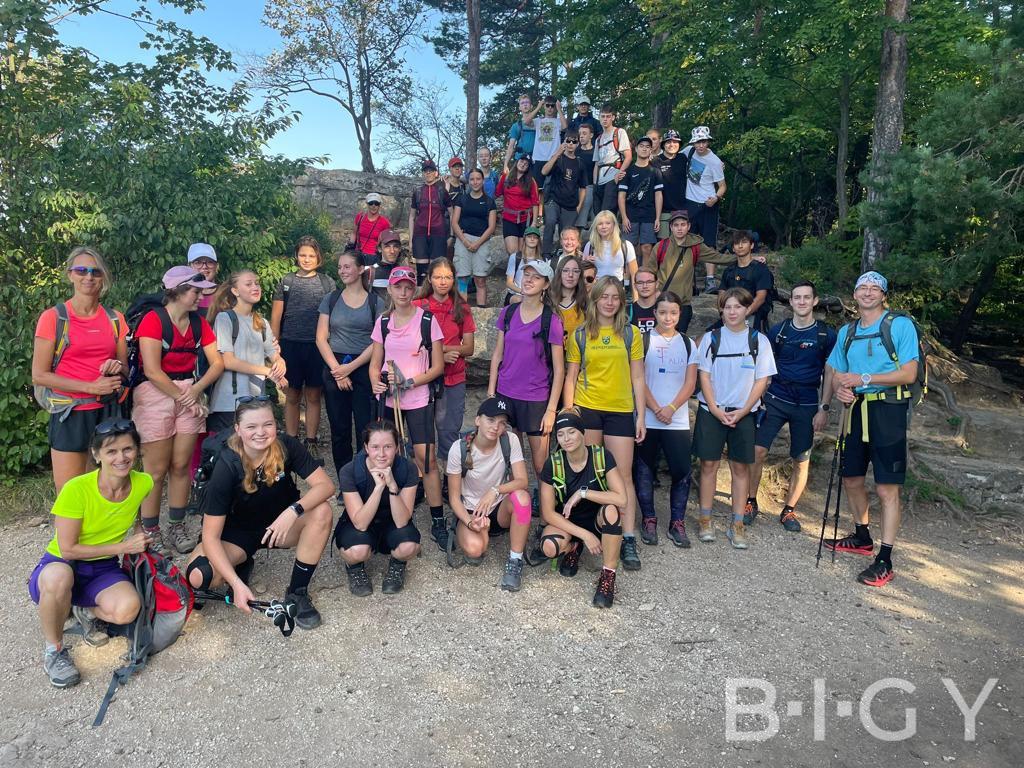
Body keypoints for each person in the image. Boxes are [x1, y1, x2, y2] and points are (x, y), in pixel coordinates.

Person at [185, 397, 334, 630]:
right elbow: (210, 537)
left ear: (276, 424)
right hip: (237, 534)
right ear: (238, 429)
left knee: (322, 511)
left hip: (279, 528)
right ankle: (241, 564)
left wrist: (293, 511)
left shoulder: (286, 445)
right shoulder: (227, 464)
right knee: (198, 575)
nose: (261, 432)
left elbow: (326, 486)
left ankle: (297, 592)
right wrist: (236, 584)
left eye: (267, 424)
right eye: (251, 426)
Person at [28, 418, 151, 688]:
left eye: (128, 449)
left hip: (103, 567)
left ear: (137, 450)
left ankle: (80, 607)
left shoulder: (144, 482)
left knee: (128, 610)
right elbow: (68, 548)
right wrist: (123, 547)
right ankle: (54, 651)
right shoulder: (77, 488)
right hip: (63, 563)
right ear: (96, 455)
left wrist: (140, 534)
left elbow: (135, 514)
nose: (121, 457)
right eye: (111, 451)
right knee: (58, 578)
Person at [823, 271, 920, 588]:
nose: (867, 292)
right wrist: (840, 389)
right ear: (854, 295)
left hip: (888, 409)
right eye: (862, 287)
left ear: (883, 295)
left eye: (874, 288)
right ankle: (862, 536)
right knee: (851, 477)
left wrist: (864, 379)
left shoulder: (899, 325)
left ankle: (885, 558)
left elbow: (909, 373)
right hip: (855, 410)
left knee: (886, 487)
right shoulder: (847, 331)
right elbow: (838, 372)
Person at [134, 266, 223, 554]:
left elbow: (217, 363)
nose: (200, 297)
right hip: (155, 393)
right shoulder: (153, 320)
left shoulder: (198, 323)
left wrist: (195, 391)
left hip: (187, 390)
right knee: (155, 470)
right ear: (177, 291)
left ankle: (176, 524)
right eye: (195, 292)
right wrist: (187, 398)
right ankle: (151, 530)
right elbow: (151, 370)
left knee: (181, 465)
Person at [563, 276, 647, 570]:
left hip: (620, 410)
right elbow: (571, 376)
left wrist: (641, 415)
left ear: (622, 302)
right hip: (587, 408)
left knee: (623, 476)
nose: (609, 302)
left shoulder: (631, 333)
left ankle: (628, 536)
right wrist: (569, 412)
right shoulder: (581, 334)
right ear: (595, 299)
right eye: (604, 297)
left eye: (615, 297)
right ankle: (580, 537)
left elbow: (638, 376)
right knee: (586, 474)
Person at [32, 247, 128, 493]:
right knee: (70, 493)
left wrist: (116, 368)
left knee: (108, 490)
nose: (89, 277)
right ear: (70, 275)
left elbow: (125, 369)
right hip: (70, 412)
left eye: (96, 271)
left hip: (107, 411)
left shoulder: (115, 319)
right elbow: (39, 375)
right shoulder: (54, 318)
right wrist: (90, 387)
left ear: (103, 277)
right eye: (81, 270)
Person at [693, 288, 777, 550]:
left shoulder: (759, 341)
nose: (732, 312)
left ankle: (737, 523)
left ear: (747, 309)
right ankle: (705, 519)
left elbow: (762, 380)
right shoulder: (711, 338)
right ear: (721, 309)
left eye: (738, 307)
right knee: (708, 465)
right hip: (711, 411)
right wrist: (715, 409)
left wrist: (743, 411)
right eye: (727, 307)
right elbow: (704, 376)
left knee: (740, 468)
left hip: (744, 413)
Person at [368, 266, 447, 546]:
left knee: (427, 460)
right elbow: (375, 362)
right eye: (398, 287)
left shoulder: (427, 320)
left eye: (408, 287)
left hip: (418, 400)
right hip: (388, 400)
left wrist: (409, 382)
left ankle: (437, 519)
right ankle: (392, 511)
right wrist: (375, 381)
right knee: (388, 455)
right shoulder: (383, 322)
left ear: (414, 290)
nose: (403, 292)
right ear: (389, 290)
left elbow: (437, 367)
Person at [749, 281, 836, 532]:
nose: (801, 302)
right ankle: (750, 502)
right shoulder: (779, 331)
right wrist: (759, 397)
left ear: (815, 301)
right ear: (791, 301)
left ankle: (789, 510)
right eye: (797, 297)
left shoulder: (825, 334)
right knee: (757, 451)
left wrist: (824, 408)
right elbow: (764, 366)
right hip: (775, 398)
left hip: (807, 402)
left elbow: (830, 372)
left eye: (807, 297)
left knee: (801, 459)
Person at [488, 260, 565, 509]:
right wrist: (490, 392)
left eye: (536, 277)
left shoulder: (551, 320)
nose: (529, 280)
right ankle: (516, 509)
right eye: (526, 274)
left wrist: (551, 409)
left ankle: (547, 511)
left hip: (535, 399)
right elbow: (497, 355)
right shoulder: (508, 313)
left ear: (546, 284)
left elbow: (560, 368)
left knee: (541, 464)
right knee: (512, 459)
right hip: (505, 394)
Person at [537, 409, 629, 608]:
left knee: (612, 510)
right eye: (561, 434)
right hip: (568, 522)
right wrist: (585, 536)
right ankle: (573, 547)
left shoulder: (601, 456)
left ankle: (608, 576)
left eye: (571, 432)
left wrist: (583, 493)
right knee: (549, 546)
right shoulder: (553, 463)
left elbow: (621, 499)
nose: (566, 439)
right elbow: (548, 513)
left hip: (597, 519)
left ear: (582, 432)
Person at [447, 396, 532, 590]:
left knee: (522, 497)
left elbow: (522, 481)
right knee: (475, 550)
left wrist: (495, 490)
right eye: (491, 420)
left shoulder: (509, 440)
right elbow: (454, 498)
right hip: (471, 510)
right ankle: (480, 531)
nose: (496, 427)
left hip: (498, 507)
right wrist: (470, 522)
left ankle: (515, 560)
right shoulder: (458, 449)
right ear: (478, 420)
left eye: (502, 423)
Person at [635, 292, 698, 548]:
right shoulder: (643, 340)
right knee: (644, 469)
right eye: (662, 312)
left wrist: (670, 409)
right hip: (648, 418)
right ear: (655, 314)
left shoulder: (688, 344)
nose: (667, 317)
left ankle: (677, 522)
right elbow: (637, 378)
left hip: (677, 420)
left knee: (681, 470)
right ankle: (649, 518)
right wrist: (655, 408)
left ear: (679, 314)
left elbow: (690, 382)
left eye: (673, 312)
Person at [335, 421, 421, 596]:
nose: (381, 454)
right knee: (357, 551)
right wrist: (379, 487)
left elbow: (402, 521)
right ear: (366, 447)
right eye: (375, 447)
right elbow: (360, 524)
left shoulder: (408, 468)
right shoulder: (350, 471)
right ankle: (354, 567)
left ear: (397, 448)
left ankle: (397, 564)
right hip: (361, 523)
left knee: (409, 546)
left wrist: (392, 486)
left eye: (388, 446)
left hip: (392, 521)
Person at [316, 250, 381, 482]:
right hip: (334, 365)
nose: (342, 271)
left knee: (365, 427)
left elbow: (378, 341)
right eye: (340, 267)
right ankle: (346, 480)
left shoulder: (375, 302)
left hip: (364, 367)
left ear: (361, 269)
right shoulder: (331, 299)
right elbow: (321, 338)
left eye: (347, 266)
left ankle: (365, 477)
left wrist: (350, 368)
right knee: (339, 428)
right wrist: (338, 371)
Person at [271, 237, 335, 458]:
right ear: (296, 256)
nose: (307, 259)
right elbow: (276, 318)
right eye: (302, 255)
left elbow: (332, 316)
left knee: (314, 396)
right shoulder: (286, 281)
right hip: (290, 345)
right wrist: (275, 348)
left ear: (319, 257)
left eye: (311, 255)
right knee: (292, 395)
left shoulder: (327, 283)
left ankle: (311, 441)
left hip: (317, 346)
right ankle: (291, 441)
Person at [206, 270, 287, 435]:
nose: (255, 287)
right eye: (248, 284)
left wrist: (280, 363)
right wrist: (267, 371)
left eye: (257, 283)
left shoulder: (262, 322)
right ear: (235, 291)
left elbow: (273, 353)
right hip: (229, 403)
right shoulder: (224, 319)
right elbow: (228, 361)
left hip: (256, 400)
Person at [414, 258, 476, 470]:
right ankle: (423, 477)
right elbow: (410, 345)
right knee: (421, 434)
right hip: (423, 378)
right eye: (438, 277)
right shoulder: (418, 307)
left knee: (449, 432)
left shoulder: (461, 308)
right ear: (430, 279)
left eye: (448, 277)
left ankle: (451, 478)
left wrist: (444, 350)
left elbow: (469, 348)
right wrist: (443, 353)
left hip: (453, 379)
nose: (443, 282)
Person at [653, 210, 736, 332]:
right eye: (676, 225)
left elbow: (718, 258)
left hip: (683, 304)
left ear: (688, 226)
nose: (679, 228)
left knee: (680, 339)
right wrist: (654, 293)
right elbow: (649, 272)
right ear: (671, 227)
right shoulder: (661, 246)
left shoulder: (696, 246)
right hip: (663, 302)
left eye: (683, 224)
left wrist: (746, 258)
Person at [684, 126, 728, 293]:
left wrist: (716, 198)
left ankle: (710, 280)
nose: (700, 145)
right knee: (688, 241)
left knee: (709, 243)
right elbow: (672, 157)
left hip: (708, 204)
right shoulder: (688, 151)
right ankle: (689, 278)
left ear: (708, 141)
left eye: (703, 142)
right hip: (689, 202)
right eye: (697, 142)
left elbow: (722, 186)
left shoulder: (714, 161)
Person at [451, 168, 498, 306]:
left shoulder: (489, 201)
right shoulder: (462, 199)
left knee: (480, 279)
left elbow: (491, 227)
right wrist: (465, 241)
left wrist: (478, 243)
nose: (475, 182)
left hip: (482, 241)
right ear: (468, 181)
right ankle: (462, 312)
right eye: (472, 179)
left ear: (483, 181)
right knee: (462, 279)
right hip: (463, 239)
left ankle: (481, 310)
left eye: (478, 179)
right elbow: (454, 222)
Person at [540, 130, 588, 260]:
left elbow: (583, 187)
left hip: (571, 204)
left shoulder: (580, 163)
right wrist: (557, 154)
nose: (571, 144)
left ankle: (559, 256)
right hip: (553, 200)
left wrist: (579, 206)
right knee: (550, 222)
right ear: (564, 142)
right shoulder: (558, 158)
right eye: (568, 141)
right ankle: (546, 254)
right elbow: (544, 171)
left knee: (566, 231)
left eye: (574, 141)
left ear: (578, 144)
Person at [617, 135, 664, 263]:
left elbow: (658, 195)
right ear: (636, 149)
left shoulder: (655, 172)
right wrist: (624, 217)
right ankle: (629, 275)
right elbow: (621, 196)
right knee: (628, 248)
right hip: (630, 215)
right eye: (641, 146)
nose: (644, 149)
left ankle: (645, 274)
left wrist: (657, 218)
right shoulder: (627, 171)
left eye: (647, 147)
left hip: (649, 215)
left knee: (647, 247)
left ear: (651, 150)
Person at [718, 229, 773, 333]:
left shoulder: (760, 269)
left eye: (744, 242)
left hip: (751, 315)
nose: (740, 246)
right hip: (729, 315)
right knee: (702, 339)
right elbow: (722, 294)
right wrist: (723, 314)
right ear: (733, 248)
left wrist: (743, 315)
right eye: (736, 243)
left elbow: (760, 298)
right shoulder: (729, 270)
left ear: (751, 245)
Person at [409, 159, 453, 283]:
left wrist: (451, 235)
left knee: (436, 272)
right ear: (423, 173)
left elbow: (452, 213)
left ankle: (435, 296)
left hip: (438, 235)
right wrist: (411, 239)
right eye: (425, 171)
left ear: (435, 173)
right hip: (420, 235)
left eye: (431, 170)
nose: (428, 173)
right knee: (422, 274)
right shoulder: (418, 192)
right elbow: (412, 216)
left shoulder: (442, 191)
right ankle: (421, 296)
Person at [582, 210, 638, 302]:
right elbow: (584, 274)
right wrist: (586, 262)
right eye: (600, 224)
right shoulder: (590, 246)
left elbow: (634, 274)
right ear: (596, 226)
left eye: (608, 223)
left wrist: (636, 298)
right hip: (596, 290)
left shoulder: (626, 245)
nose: (604, 226)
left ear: (614, 225)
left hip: (618, 290)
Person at [496, 156, 541, 260]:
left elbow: (535, 203)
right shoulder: (506, 177)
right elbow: (497, 193)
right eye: (521, 161)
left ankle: (521, 270)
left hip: (526, 219)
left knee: (523, 252)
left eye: (526, 164)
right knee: (512, 251)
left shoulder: (531, 181)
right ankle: (513, 270)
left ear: (528, 167)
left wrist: (534, 223)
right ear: (517, 161)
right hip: (509, 218)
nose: (523, 164)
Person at [592, 103, 632, 214]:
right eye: (603, 116)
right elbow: (596, 163)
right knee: (598, 214)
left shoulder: (619, 132)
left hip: (612, 177)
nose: (605, 119)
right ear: (599, 117)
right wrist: (595, 183)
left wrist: (618, 175)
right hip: (599, 180)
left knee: (607, 212)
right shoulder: (598, 139)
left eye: (608, 116)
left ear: (613, 117)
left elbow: (628, 156)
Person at [651, 129, 691, 239]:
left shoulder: (683, 158)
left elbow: (701, 154)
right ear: (663, 144)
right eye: (668, 142)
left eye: (675, 142)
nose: (672, 144)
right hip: (663, 210)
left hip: (681, 209)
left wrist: (718, 164)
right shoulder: (655, 161)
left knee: (680, 242)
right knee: (664, 242)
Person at [531, 95, 567, 203]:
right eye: (547, 105)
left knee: (554, 189)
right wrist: (538, 107)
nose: (550, 108)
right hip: (538, 158)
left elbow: (565, 127)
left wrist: (559, 109)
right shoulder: (538, 121)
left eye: (552, 106)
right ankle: (539, 212)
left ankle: (552, 210)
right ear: (544, 106)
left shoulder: (558, 121)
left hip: (554, 158)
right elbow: (526, 121)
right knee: (538, 190)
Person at [551, 254, 588, 345]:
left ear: (580, 275)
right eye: (565, 270)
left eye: (575, 271)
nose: (570, 275)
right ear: (559, 273)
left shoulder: (586, 303)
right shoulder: (548, 301)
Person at [505, 226, 545, 305]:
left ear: (538, 240)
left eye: (535, 237)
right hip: (517, 294)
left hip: (535, 294)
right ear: (525, 239)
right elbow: (509, 282)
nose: (532, 239)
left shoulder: (542, 260)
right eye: (529, 237)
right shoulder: (515, 257)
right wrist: (523, 292)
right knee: (521, 300)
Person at [348, 193, 392, 263]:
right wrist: (350, 246)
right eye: (371, 203)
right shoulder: (360, 217)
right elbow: (354, 233)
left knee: (369, 270)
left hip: (374, 256)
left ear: (379, 205)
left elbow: (387, 241)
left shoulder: (384, 222)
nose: (373, 206)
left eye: (376, 203)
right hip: (358, 253)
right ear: (367, 204)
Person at [367, 229, 407, 299]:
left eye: (396, 246)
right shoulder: (370, 272)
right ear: (379, 249)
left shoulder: (405, 272)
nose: (392, 251)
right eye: (387, 246)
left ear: (400, 249)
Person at [504, 93, 540, 169]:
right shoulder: (516, 126)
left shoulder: (538, 124)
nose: (525, 105)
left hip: (535, 160)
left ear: (531, 106)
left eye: (527, 102)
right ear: (520, 107)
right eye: (522, 103)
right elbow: (511, 146)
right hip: (520, 160)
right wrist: (506, 164)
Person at [575, 123, 597, 233]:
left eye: (584, 133)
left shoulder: (595, 152)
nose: (581, 136)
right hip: (575, 188)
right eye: (580, 134)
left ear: (591, 135)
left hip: (591, 187)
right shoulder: (575, 151)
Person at [628, 266, 659, 339]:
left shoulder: (664, 310)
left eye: (649, 282)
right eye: (640, 282)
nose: (645, 286)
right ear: (635, 286)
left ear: (657, 284)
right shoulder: (627, 311)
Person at [187, 242, 220, 311]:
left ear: (217, 266)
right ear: (189, 266)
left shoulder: (225, 293)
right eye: (198, 263)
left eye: (210, 262)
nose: (204, 267)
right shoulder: (183, 296)